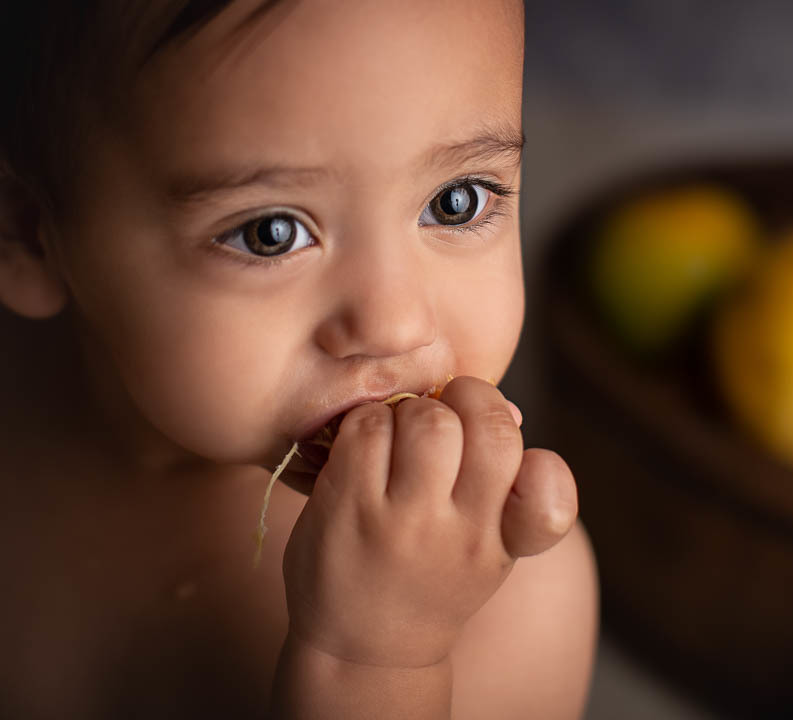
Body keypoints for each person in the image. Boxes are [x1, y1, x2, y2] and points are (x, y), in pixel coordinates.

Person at [0, 1, 598, 717]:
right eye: (270, 233)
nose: (396, 325)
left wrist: (379, 659)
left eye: (456, 201)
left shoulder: (516, 598)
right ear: (31, 235)